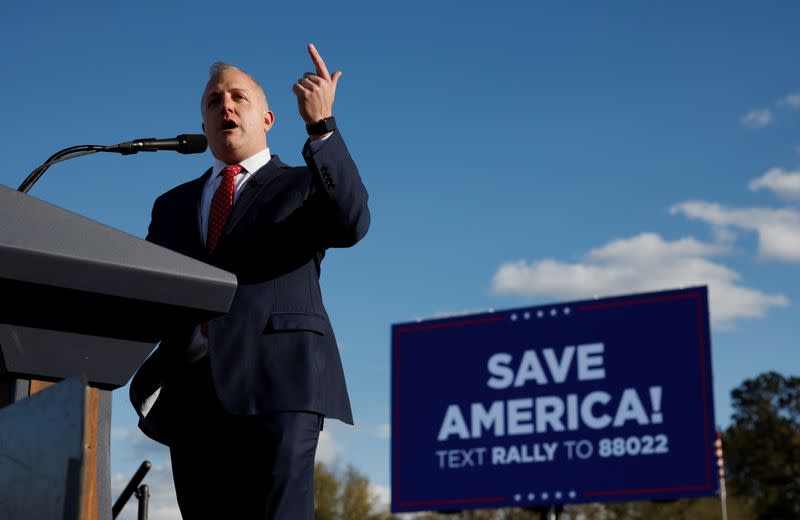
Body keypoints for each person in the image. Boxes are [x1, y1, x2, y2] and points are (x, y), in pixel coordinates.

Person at [129, 44, 370, 519]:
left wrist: (322, 127)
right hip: (193, 397)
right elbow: (152, 293)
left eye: (238, 96)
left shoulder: (304, 185)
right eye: (214, 100)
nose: (226, 106)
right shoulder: (171, 205)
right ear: (203, 125)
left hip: (279, 385)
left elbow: (351, 222)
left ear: (268, 119)